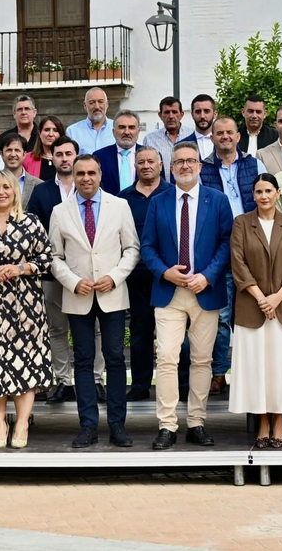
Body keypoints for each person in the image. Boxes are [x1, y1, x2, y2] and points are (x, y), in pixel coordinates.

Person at [141, 142, 235, 449]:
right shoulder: (159, 201)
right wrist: (164, 271)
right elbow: (147, 247)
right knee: (167, 358)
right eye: (179, 161)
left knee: (201, 360)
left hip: (204, 291)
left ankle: (196, 422)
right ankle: (167, 425)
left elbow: (226, 244)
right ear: (170, 167)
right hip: (169, 291)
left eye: (190, 161)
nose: (184, 166)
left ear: (200, 166)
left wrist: (207, 276)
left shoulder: (218, 201)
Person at [49, 154, 140, 446]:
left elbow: (132, 249)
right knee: (84, 360)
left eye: (91, 172)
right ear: (73, 177)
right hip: (79, 296)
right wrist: (73, 282)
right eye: (80, 173)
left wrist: (115, 276)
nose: (86, 178)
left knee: (114, 359)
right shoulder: (59, 211)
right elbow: (54, 257)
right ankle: (88, 426)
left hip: (112, 294)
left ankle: (117, 426)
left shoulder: (120, 206)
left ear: (100, 175)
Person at [0, 169, 56, 448]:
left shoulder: (30, 222)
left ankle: (21, 423)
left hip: (26, 306)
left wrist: (21, 268)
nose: (1, 192)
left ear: (15, 192)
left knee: (25, 365)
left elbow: (47, 258)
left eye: (6, 187)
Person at [231, 172, 282, 448]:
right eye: (258, 192)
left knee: (280, 368)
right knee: (257, 368)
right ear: (253, 196)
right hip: (251, 308)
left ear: (278, 193)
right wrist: (260, 297)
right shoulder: (242, 223)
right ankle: (262, 421)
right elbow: (238, 264)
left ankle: (279, 421)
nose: (263, 196)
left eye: (268, 191)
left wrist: (276, 297)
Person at [202, 114, 264, 393]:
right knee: (223, 316)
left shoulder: (255, 164)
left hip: (252, 246)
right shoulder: (203, 170)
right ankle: (218, 372)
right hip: (219, 246)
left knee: (254, 312)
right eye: (219, 133)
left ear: (238, 136)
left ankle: (254, 372)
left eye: (230, 132)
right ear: (212, 137)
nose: (225, 136)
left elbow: (266, 200)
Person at [26, 136, 81, 400]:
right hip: (51, 273)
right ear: (52, 158)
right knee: (56, 328)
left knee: (92, 330)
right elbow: (33, 231)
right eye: (59, 154)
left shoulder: (89, 187)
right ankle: (63, 380)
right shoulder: (42, 191)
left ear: (76, 156)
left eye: (69, 154)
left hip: (85, 273)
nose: (64, 158)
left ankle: (94, 379)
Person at [120, 145, 166, 400]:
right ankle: (140, 384)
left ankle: (179, 384)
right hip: (136, 275)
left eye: (151, 160)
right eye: (141, 162)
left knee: (174, 333)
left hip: (168, 276)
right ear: (134, 167)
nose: (146, 165)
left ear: (160, 164)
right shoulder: (123, 198)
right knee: (140, 330)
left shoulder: (171, 194)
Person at [142, 96, 197, 178]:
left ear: (181, 115)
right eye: (167, 112)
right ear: (160, 115)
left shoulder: (193, 135)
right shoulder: (150, 139)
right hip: (162, 189)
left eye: (174, 112)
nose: (171, 116)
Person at [95, 110, 143, 193]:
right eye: (122, 127)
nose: (127, 132)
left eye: (131, 127)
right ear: (113, 132)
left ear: (138, 132)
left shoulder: (151, 156)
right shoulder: (99, 156)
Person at [69, 87, 117, 153]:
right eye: (92, 103)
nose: (97, 106)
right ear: (85, 105)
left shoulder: (117, 128)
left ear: (107, 104)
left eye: (100, 102)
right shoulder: (72, 131)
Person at [24, 114, 66, 182]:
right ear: (39, 133)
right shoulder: (27, 159)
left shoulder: (69, 159)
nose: (51, 134)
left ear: (61, 134)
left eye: (55, 130)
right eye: (47, 130)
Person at [189, 94, 219, 160]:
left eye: (206, 111)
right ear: (192, 115)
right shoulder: (182, 145)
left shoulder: (226, 143)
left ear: (215, 114)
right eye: (198, 112)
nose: (202, 116)